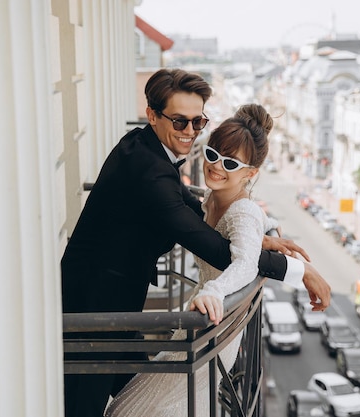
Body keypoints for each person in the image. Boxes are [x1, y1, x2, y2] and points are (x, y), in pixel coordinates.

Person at [61, 68, 331, 417]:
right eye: (179, 122)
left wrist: (256, 237)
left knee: (135, 399)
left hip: (114, 306)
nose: (189, 132)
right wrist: (300, 271)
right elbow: (215, 248)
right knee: (89, 407)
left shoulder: (143, 146)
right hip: (91, 313)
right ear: (153, 115)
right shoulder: (151, 171)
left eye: (197, 122)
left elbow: (192, 209)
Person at [104, 103, 299, 416]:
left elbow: (246, 263)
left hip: (214, 323)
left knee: (135, 410)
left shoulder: (244, 211)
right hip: (199, 321)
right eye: (212, 154)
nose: (217, 166)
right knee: (150, 405)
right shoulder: (211, 199)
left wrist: (215, 290)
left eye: (231, 163)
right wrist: (257, 240)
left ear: (251, 173)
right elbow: (222, 240)